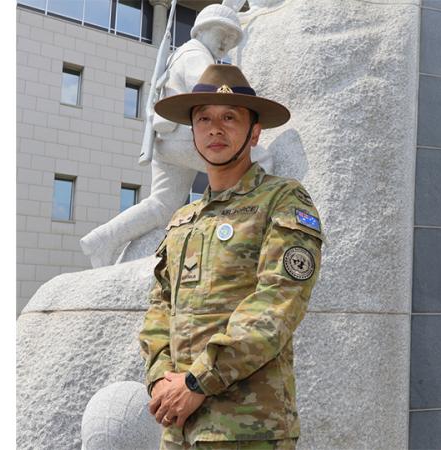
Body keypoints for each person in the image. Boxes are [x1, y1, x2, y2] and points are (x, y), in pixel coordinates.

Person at [138, 63, 323, 450]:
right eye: (203, 119)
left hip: (249, 430)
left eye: (229, 118)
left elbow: (276, 305)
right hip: (178, 427)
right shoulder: (182, 220)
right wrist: (160, 380)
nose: (214, 129)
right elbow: (159, 309)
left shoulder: (283, 200)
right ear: (193, 133)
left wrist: (196, 381)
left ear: (254, 132)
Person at [79, 3, 273, 268]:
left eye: (232, 39)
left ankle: (103, 239)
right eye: (223, 34)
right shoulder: (195, 55)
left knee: (162, 205)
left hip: (166, 140)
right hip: (183, 137)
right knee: (259, 156)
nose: (227, 43)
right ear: (203, 29)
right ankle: (249, 222)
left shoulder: (183, 53)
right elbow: (208, 98)